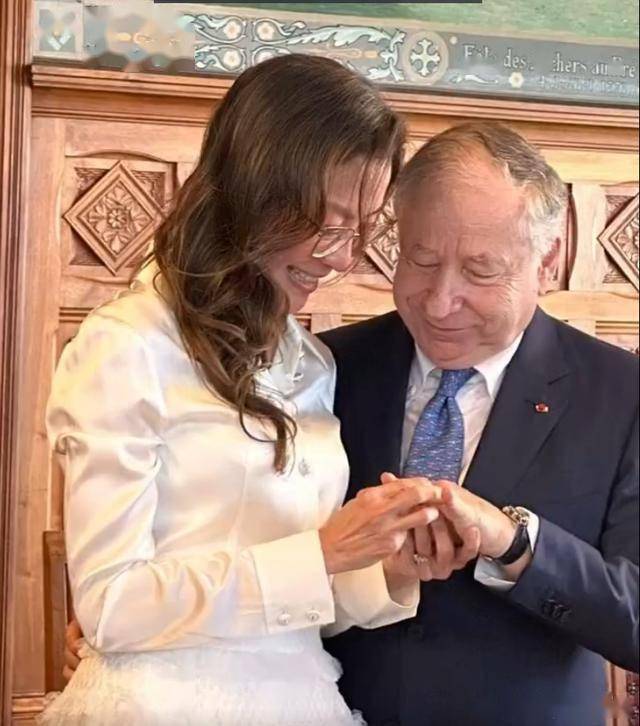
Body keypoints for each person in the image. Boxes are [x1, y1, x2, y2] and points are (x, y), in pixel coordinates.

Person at [42, 55, 481, 726]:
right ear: (256, 192)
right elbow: (110, 606)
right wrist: (321, 552)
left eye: (362, 229)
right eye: (330, 223)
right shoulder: (127, 346)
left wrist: (386, 568)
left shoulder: (313, 364)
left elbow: (294, 608)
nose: (342, 258)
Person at [321, 121, 639, 726]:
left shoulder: (622, 394)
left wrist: (516, 545)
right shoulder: (328, 369)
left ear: (547, 261)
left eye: (481, 271)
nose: (441, 302)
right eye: (421, 260)